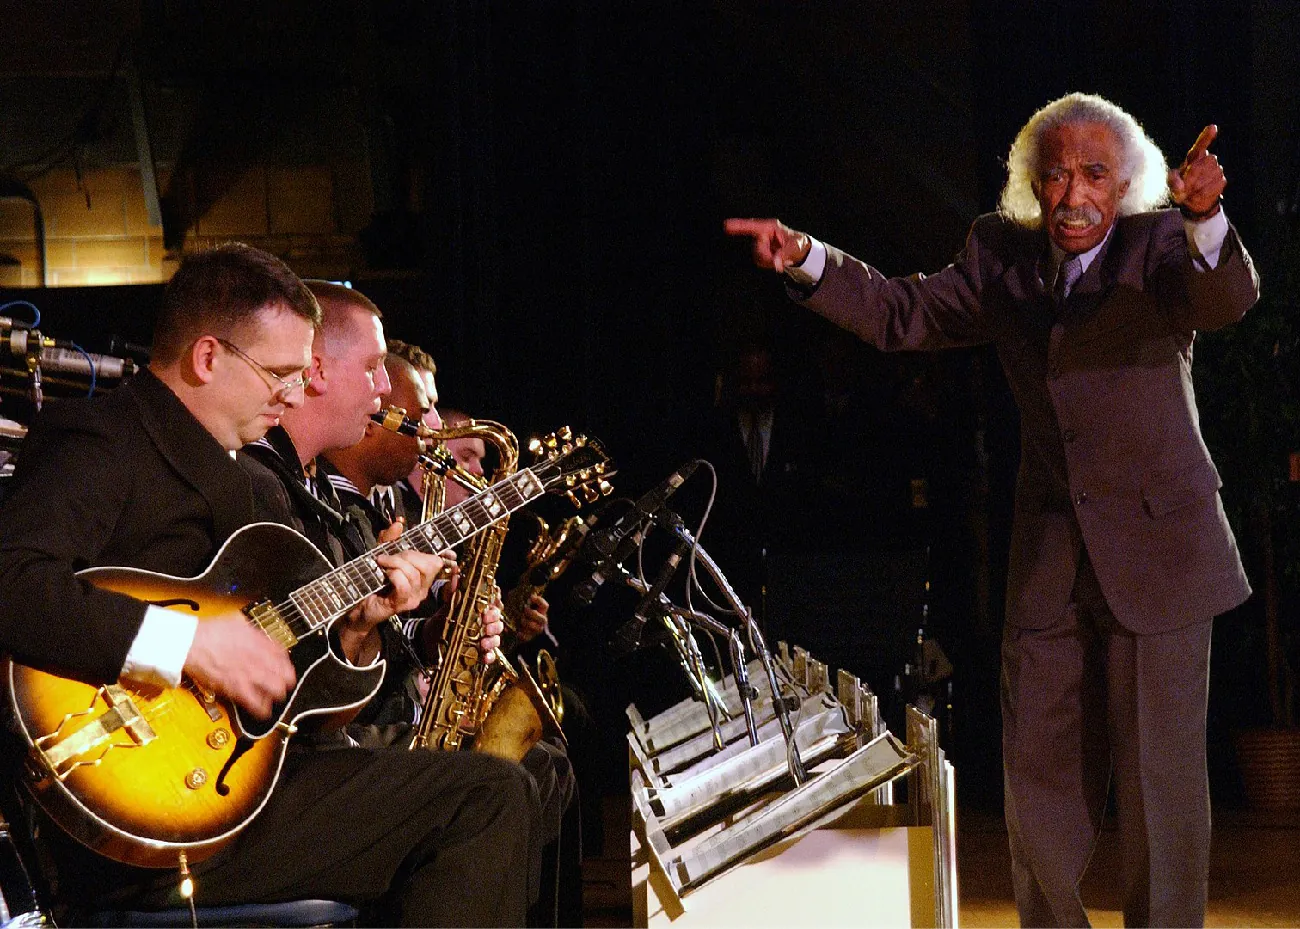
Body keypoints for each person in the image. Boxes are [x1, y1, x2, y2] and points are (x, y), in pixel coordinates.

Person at [726, 92, 1260, 928]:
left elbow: (1225, 297)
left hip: (1163, 553)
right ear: (1030, 186)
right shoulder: (999, 255)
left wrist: (1207, 214)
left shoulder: (1163, 245)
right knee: (1036, 785)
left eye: (1092, 175)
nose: (1072, 194)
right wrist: (809, 260)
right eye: (1053, 176)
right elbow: (904, 315)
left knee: (1162, 788)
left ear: (1127, 184)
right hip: (1050, 558)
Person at [0, 246, 537, 926]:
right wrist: (186, 642)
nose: (293, 392)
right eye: (280, 372)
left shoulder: (238, 479)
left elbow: (299, 691)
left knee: (502, 787)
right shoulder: (102, 440)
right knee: (484, 798)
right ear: (207, 357)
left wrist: (357, 624)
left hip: (243, 779)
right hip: (138, 802)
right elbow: (12, 582)